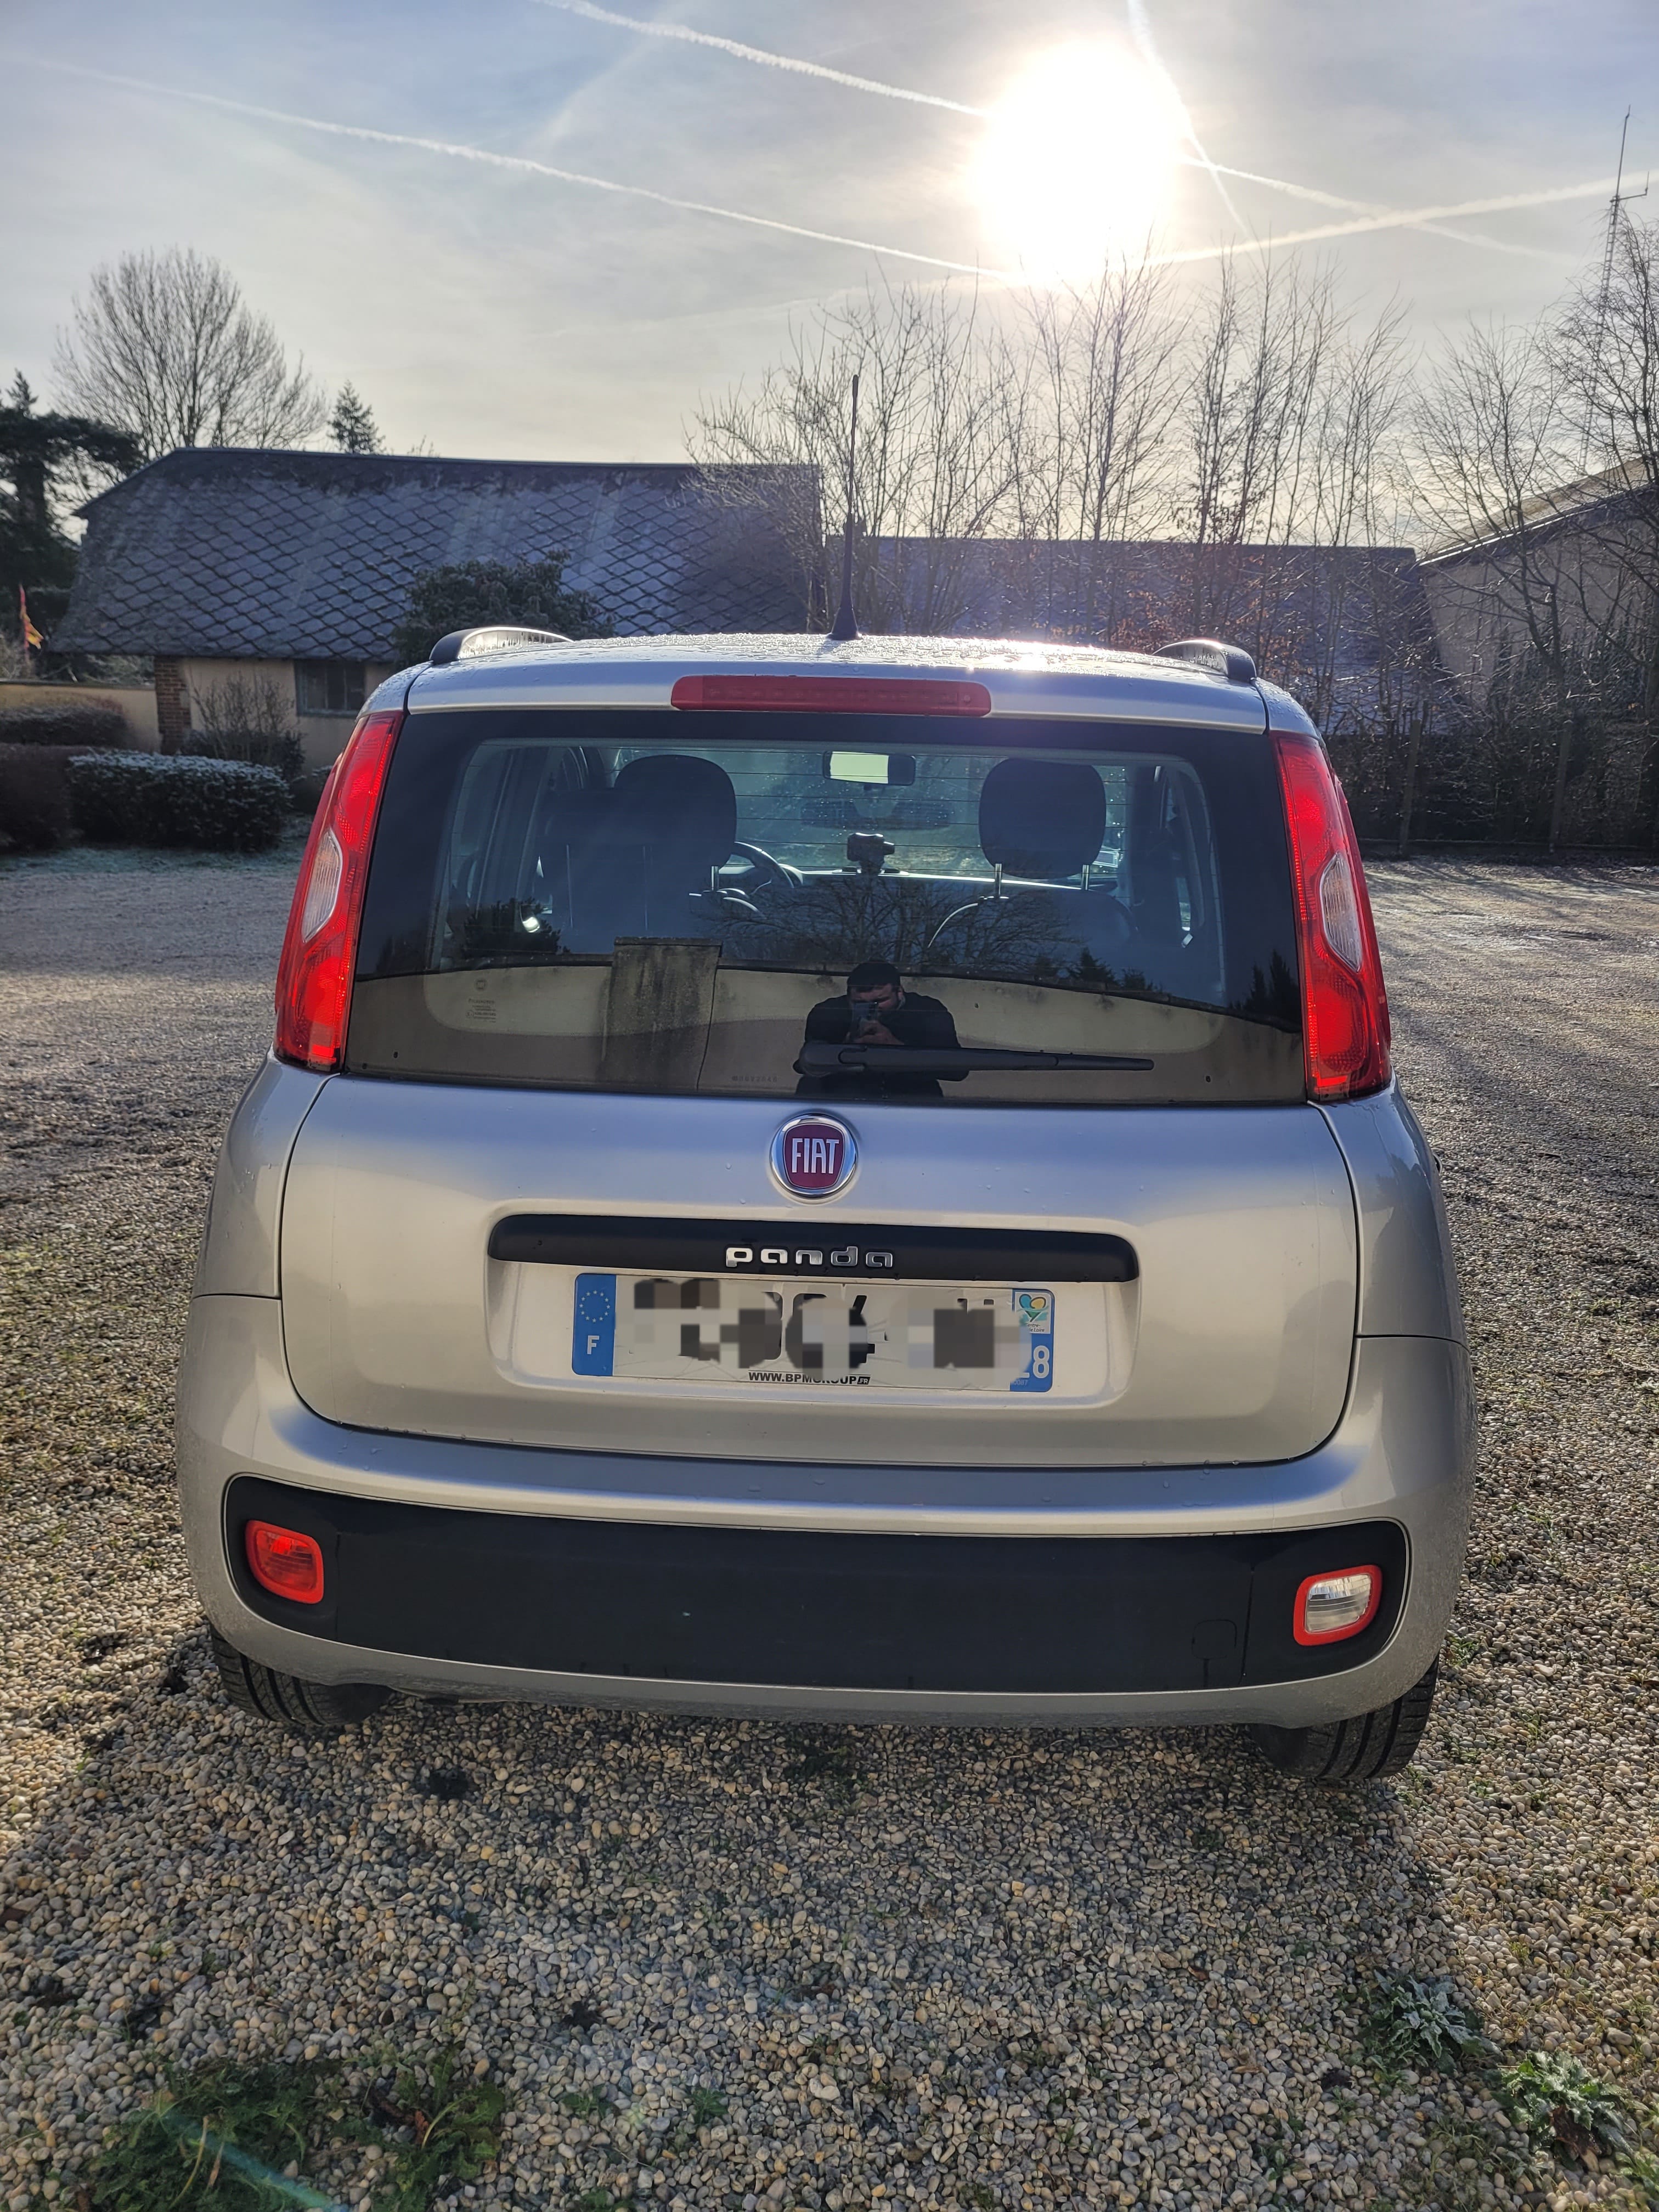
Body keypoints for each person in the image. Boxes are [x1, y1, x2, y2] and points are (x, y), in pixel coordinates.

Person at [796, 958, 963, 1097]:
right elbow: (808, 1065)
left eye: (880, 1001)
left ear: (900, 992)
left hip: (911, 1104)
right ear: (848, 997)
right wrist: (844, 1049)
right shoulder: (829, 1013)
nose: (872, 1008)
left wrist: (896, 1048)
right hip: (843, 1101)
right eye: (860, 1004)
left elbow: (956, 1070)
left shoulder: (927, 1011)